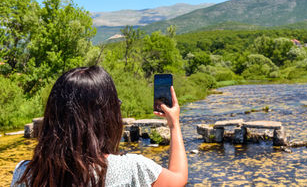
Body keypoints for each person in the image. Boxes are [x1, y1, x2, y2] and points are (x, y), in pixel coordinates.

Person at [11, 66, 188, 187]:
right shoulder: (132, 168)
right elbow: (179, 178)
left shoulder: (24, 174)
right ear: (107, 115)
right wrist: (174, 124)